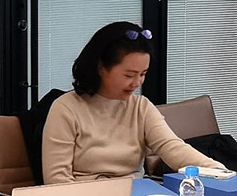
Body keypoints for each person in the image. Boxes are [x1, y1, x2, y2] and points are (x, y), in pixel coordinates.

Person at [42, 21, 224, 184]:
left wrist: (220, 172)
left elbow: (173, 148)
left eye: (143, 74)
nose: (137, 83)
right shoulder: (66, 108)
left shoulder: (140, 107)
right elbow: (57, 180)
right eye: (129, 75)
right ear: (101, 68)